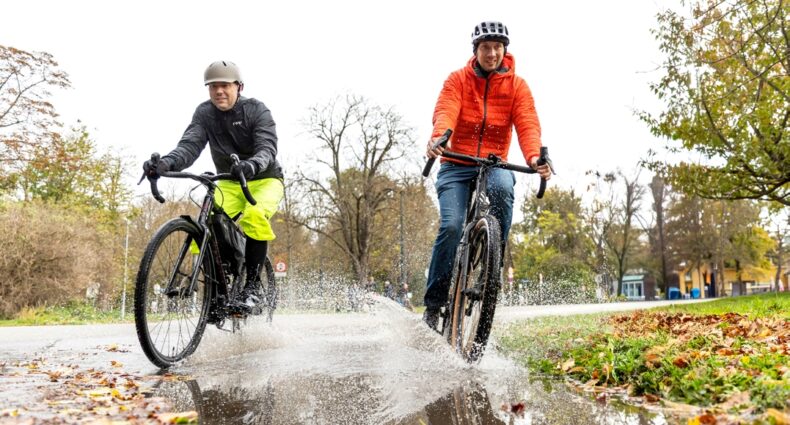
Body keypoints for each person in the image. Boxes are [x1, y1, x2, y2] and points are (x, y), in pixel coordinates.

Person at [422, 21, 552, 330]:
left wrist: (534, 157)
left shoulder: (517, 86)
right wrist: (441, 138)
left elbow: (527, 123)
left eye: (497, 47)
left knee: (504, 190)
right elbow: (446, 111)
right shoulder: (458, 80)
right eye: (485, 47)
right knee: (452, 226)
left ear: (505, 50)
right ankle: (434, 303)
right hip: (455, 163)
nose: (491, 53)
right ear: (475, 51)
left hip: (495, 163)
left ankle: (491, 264)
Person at [143, 60, 284, 313]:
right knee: (206, 223)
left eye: (224, 85)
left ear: (239, 87)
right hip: (229, 181)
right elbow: (189, 145)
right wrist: (165, 164)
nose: (219, 91)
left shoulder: (256, 110)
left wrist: (252, 165)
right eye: (213, 87)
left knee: (254, 216)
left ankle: (251, 288)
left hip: (264, 179)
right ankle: (217, 290)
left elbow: (267, 147)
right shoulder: (204, 113)